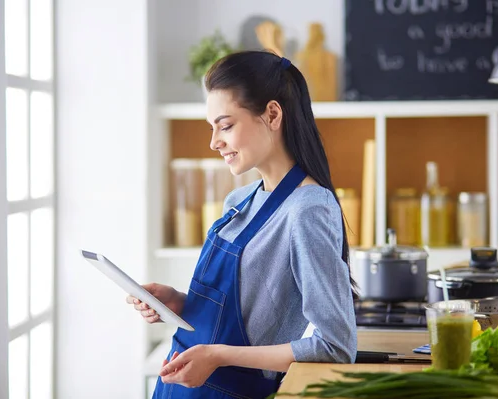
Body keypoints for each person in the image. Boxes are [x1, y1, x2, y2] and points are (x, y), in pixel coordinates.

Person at [127, 50, 358, 399]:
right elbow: (250, 313)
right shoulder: (240, 201)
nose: (214, 142)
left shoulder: (308, 210)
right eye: (212, 127)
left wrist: (217, 356)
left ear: (272, 114)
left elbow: (335, 346)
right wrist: (178, 303)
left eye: (226, 125)